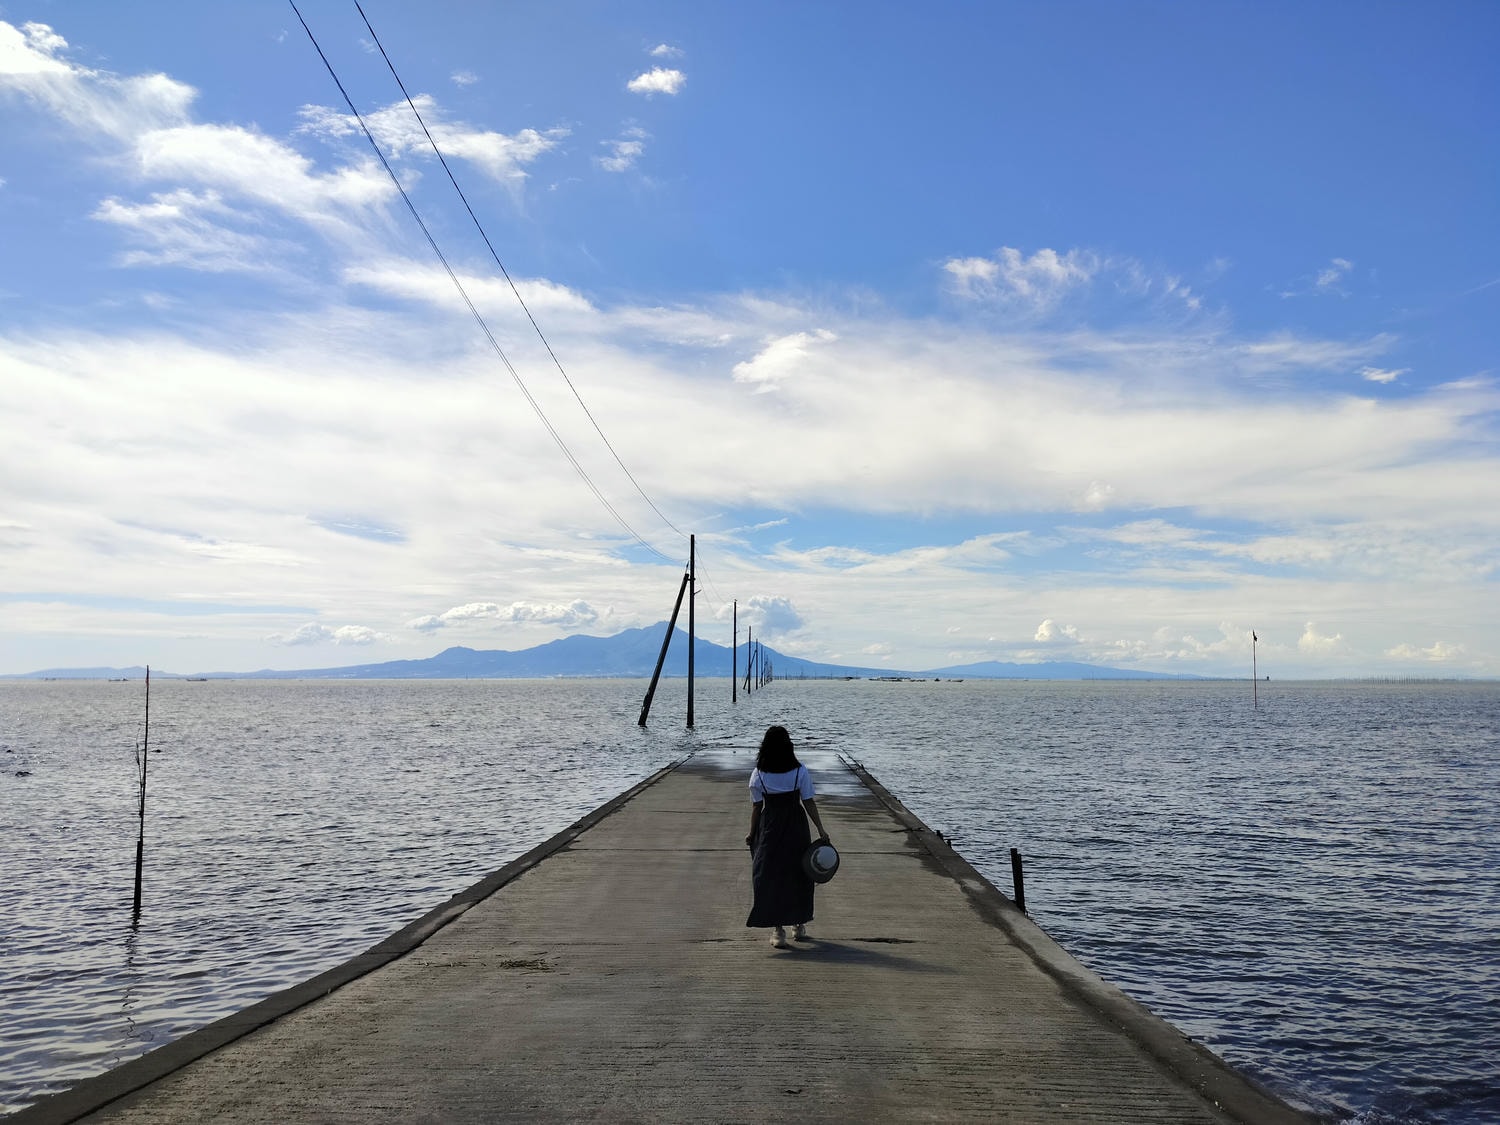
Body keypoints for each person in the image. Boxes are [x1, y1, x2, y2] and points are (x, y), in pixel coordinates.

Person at [745, 724, 830, 949]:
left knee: (769, 876)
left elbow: (756, 806)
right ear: (788, 746)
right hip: (796, 825)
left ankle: (778, 930)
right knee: (799, 873)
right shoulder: (800, 771)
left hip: (770, 826)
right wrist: (820, 828)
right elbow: (809, 801)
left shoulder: (758, 773)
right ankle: (799, 924)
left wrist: (752, 833)